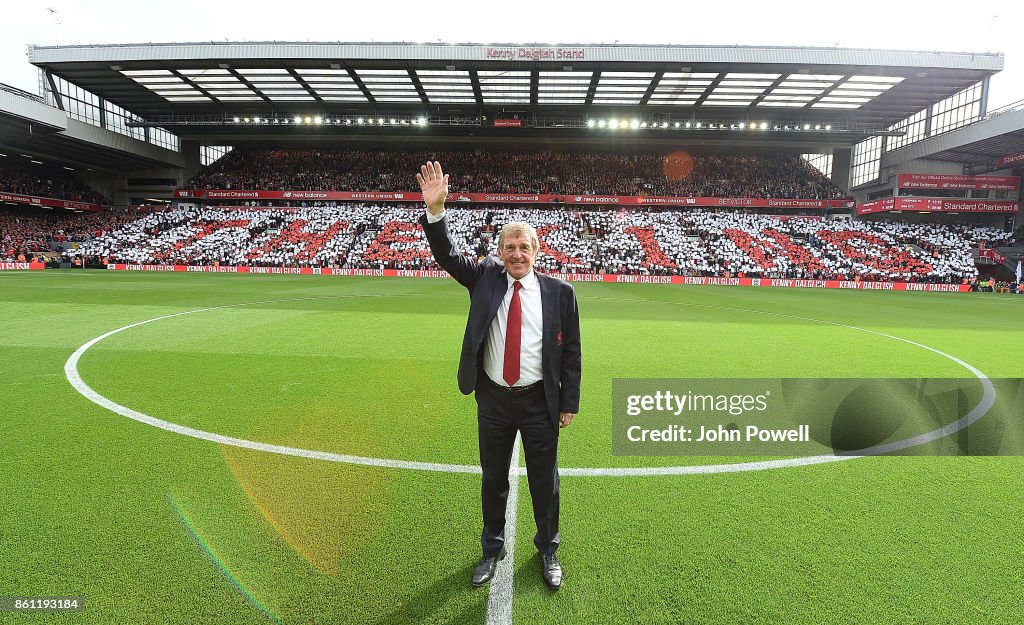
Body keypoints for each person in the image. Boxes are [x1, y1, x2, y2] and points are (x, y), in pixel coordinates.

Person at [416, 161, 582, 590]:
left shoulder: (561, 293)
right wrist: (437, 213)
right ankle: (492, 548)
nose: (516, 254)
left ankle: (548, 548)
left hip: (539, 401)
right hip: (492, 398)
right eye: (509, 247)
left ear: (536, 250)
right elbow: (447, 255)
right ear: (499, 250)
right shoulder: (484, 279)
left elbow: (572, 353)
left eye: (524, 247)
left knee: (545, 481)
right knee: (493, 478)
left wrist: (569, 402)